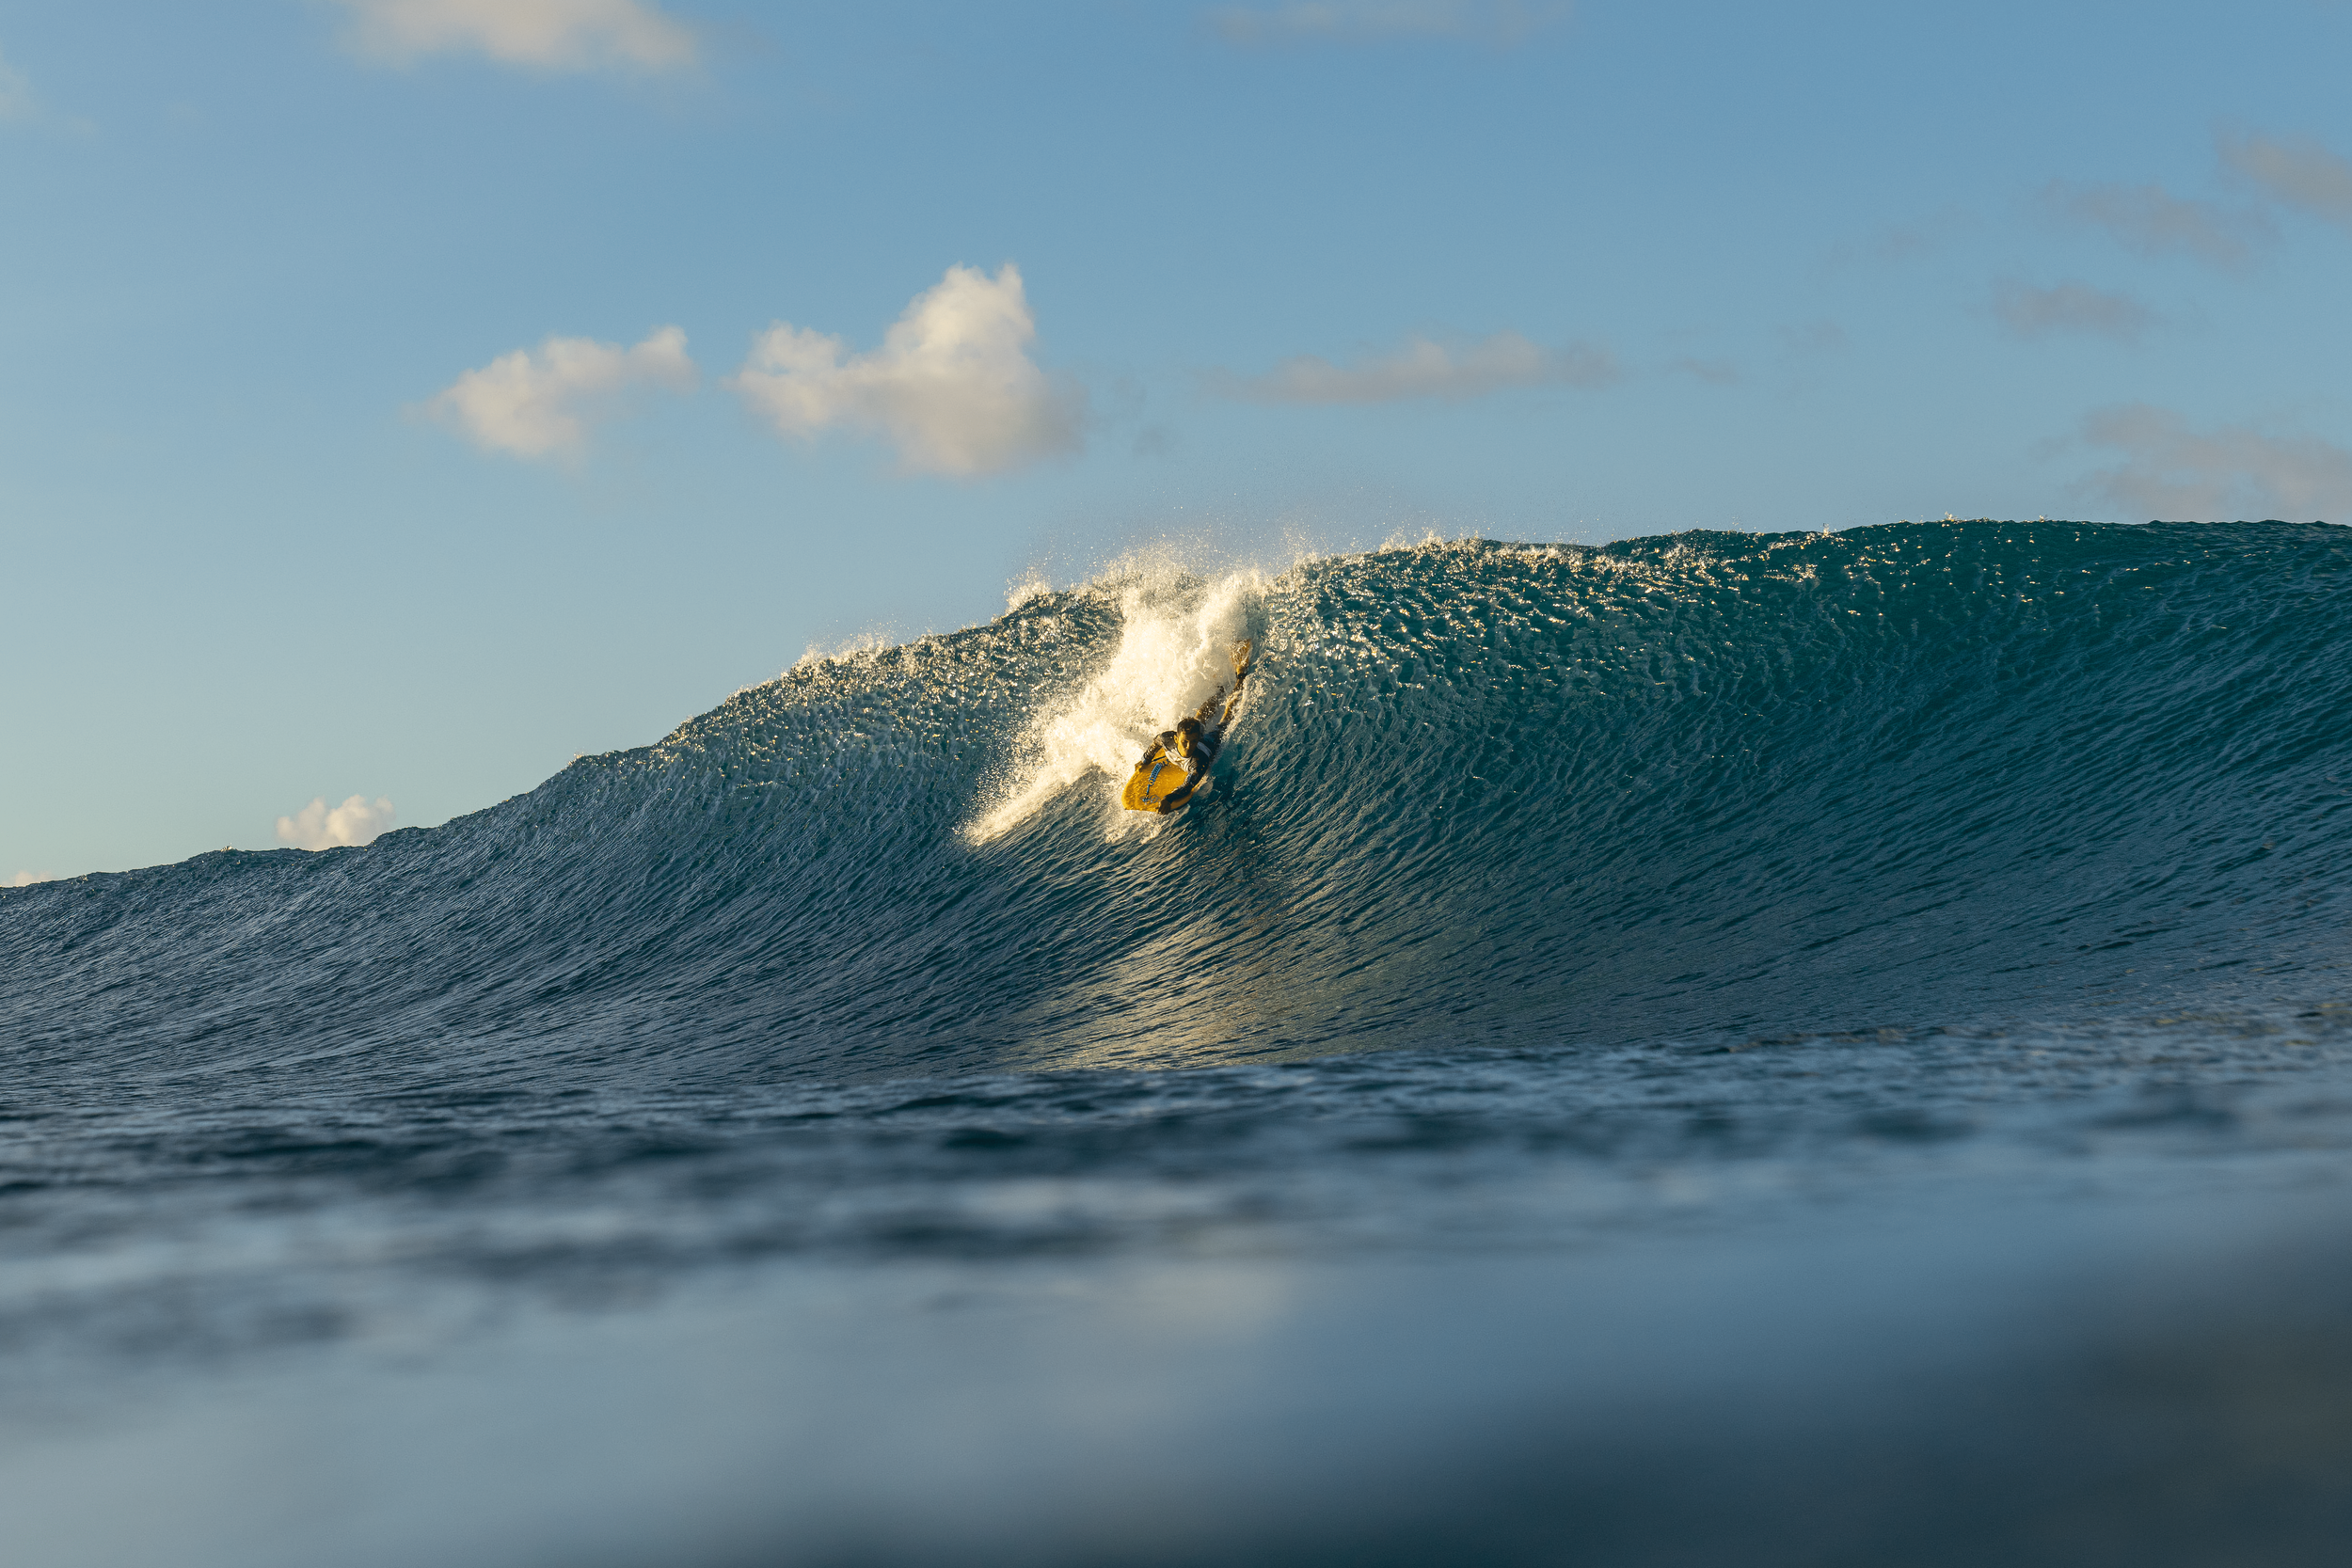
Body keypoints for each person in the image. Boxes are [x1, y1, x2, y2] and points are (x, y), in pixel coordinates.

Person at [1138, 659, 1248, 814]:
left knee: (1225, 720)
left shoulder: (1199, 762)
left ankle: (1241, 677)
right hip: (1194, 738)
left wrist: (1168, 798)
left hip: (1210, 743)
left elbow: (1187, 787)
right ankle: (1220, 691)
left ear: (1198, 738)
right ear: (1176, 738)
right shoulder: (1167, 739)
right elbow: (1155, 742)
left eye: (1193, 741)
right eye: (1185, 742)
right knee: (1198, 718)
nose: (1189, 746)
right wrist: (1145, 760)